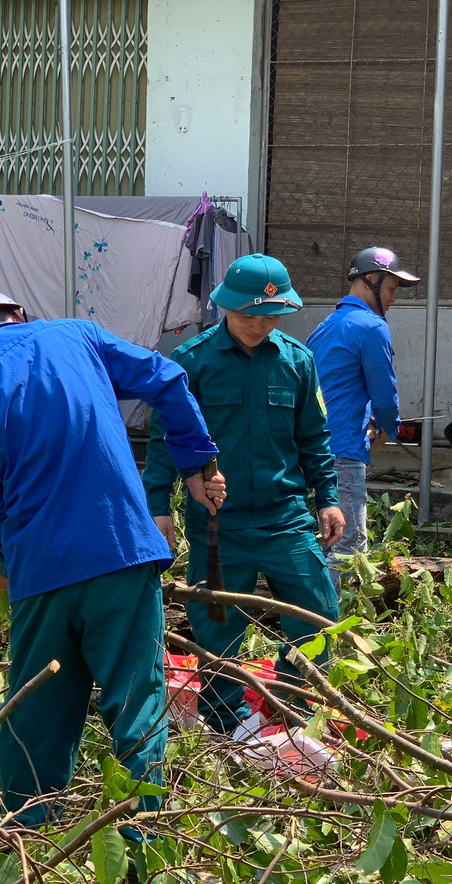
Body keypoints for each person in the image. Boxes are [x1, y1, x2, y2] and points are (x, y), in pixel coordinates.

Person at [0, 289, 225, 829]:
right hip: (120, 550)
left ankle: (27, 839)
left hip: (40, 571)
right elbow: (167, 378)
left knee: (37, 710)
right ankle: (143, 843)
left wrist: (4, 562)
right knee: (136, 701)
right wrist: (198, 463)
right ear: (20, 316)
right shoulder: (77, 335)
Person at [144, 254, 344, 743]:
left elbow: (315, 438)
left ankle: (292, 707)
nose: (258, 325)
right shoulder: (190, 363)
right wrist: (158, 508)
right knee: (217, 627)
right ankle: (228, 721)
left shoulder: (298, 362)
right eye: (247, 314)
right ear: (226, 308)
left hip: (286, 519)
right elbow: (162, 438)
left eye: (269, 316)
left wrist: (329, 498)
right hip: (219, 525)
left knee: (318, 614)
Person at [307, 247, 420, 578]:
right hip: (342, 448)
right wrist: (390, 429)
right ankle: (331, 624)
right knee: (349, 544)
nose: (395, 298)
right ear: (371, 279)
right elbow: (385, 395)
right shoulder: (372, 327)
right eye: (391, 289)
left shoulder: (328, 324)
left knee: (326, 539)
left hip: (313, 447)